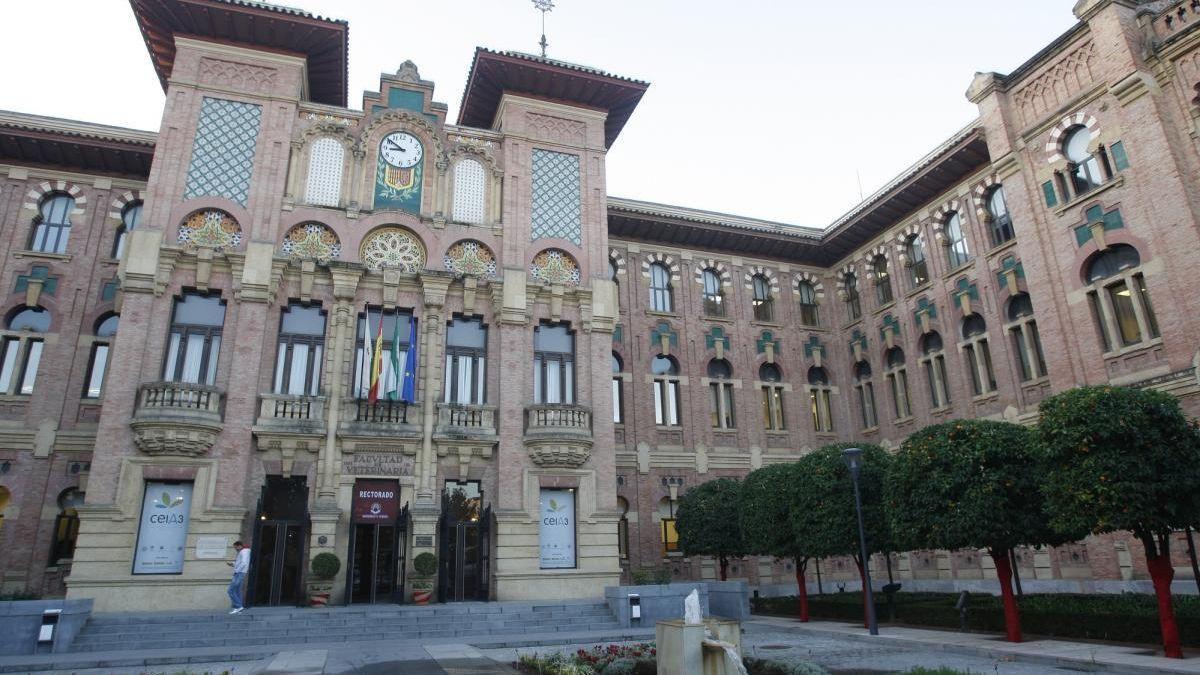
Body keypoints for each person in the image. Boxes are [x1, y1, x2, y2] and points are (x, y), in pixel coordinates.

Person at [226, 540, 250, 614]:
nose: (235, 549)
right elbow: (240, 562)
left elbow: (244, 563)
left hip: (239, 573)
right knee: (237, 591)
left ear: (239, 546)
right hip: (241, 572)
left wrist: (237, 571)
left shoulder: (244, 552)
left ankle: (238, 606)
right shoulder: (244, 551)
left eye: (235, 547)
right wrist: (233, 564)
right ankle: (239, 608)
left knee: (230, 590)